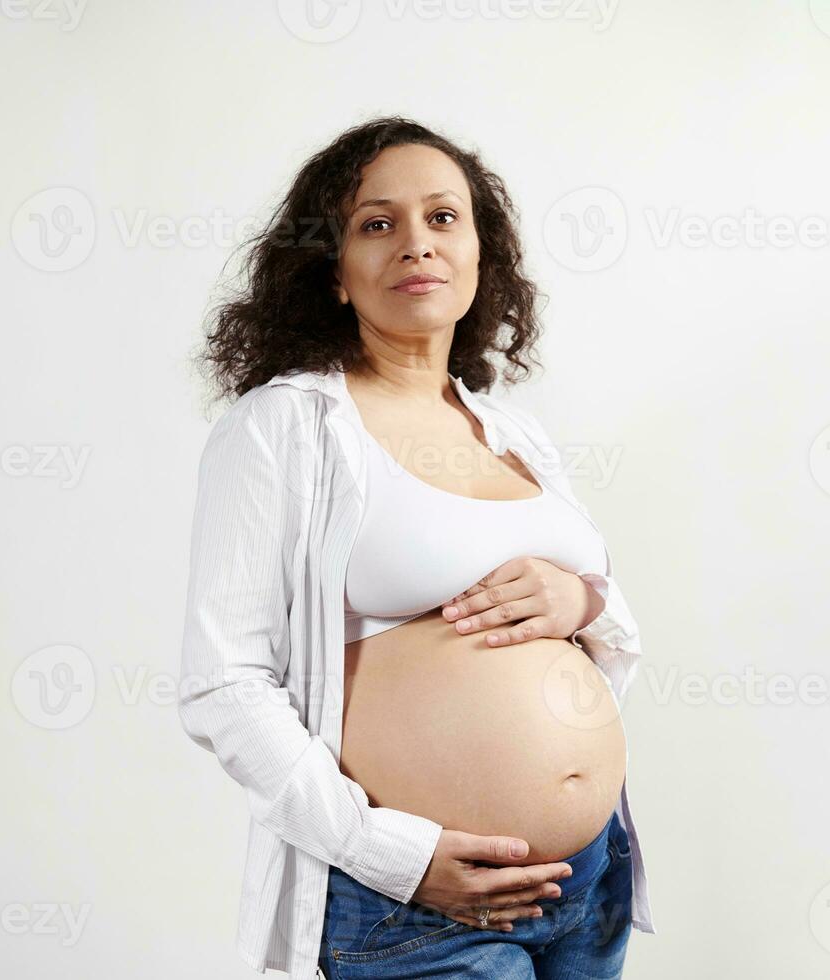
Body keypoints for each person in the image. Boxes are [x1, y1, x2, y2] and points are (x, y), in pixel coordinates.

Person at [179, 116, 654, 980]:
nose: (415, 245)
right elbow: (223, 684)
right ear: (332, 272)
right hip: (417, 902)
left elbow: (607, 615)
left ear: (482, 255)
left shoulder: (511, 431)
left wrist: (579, 598)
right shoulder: (285, 427)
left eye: (442, 218)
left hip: (587, 883)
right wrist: (389, 854)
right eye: (376, 223)